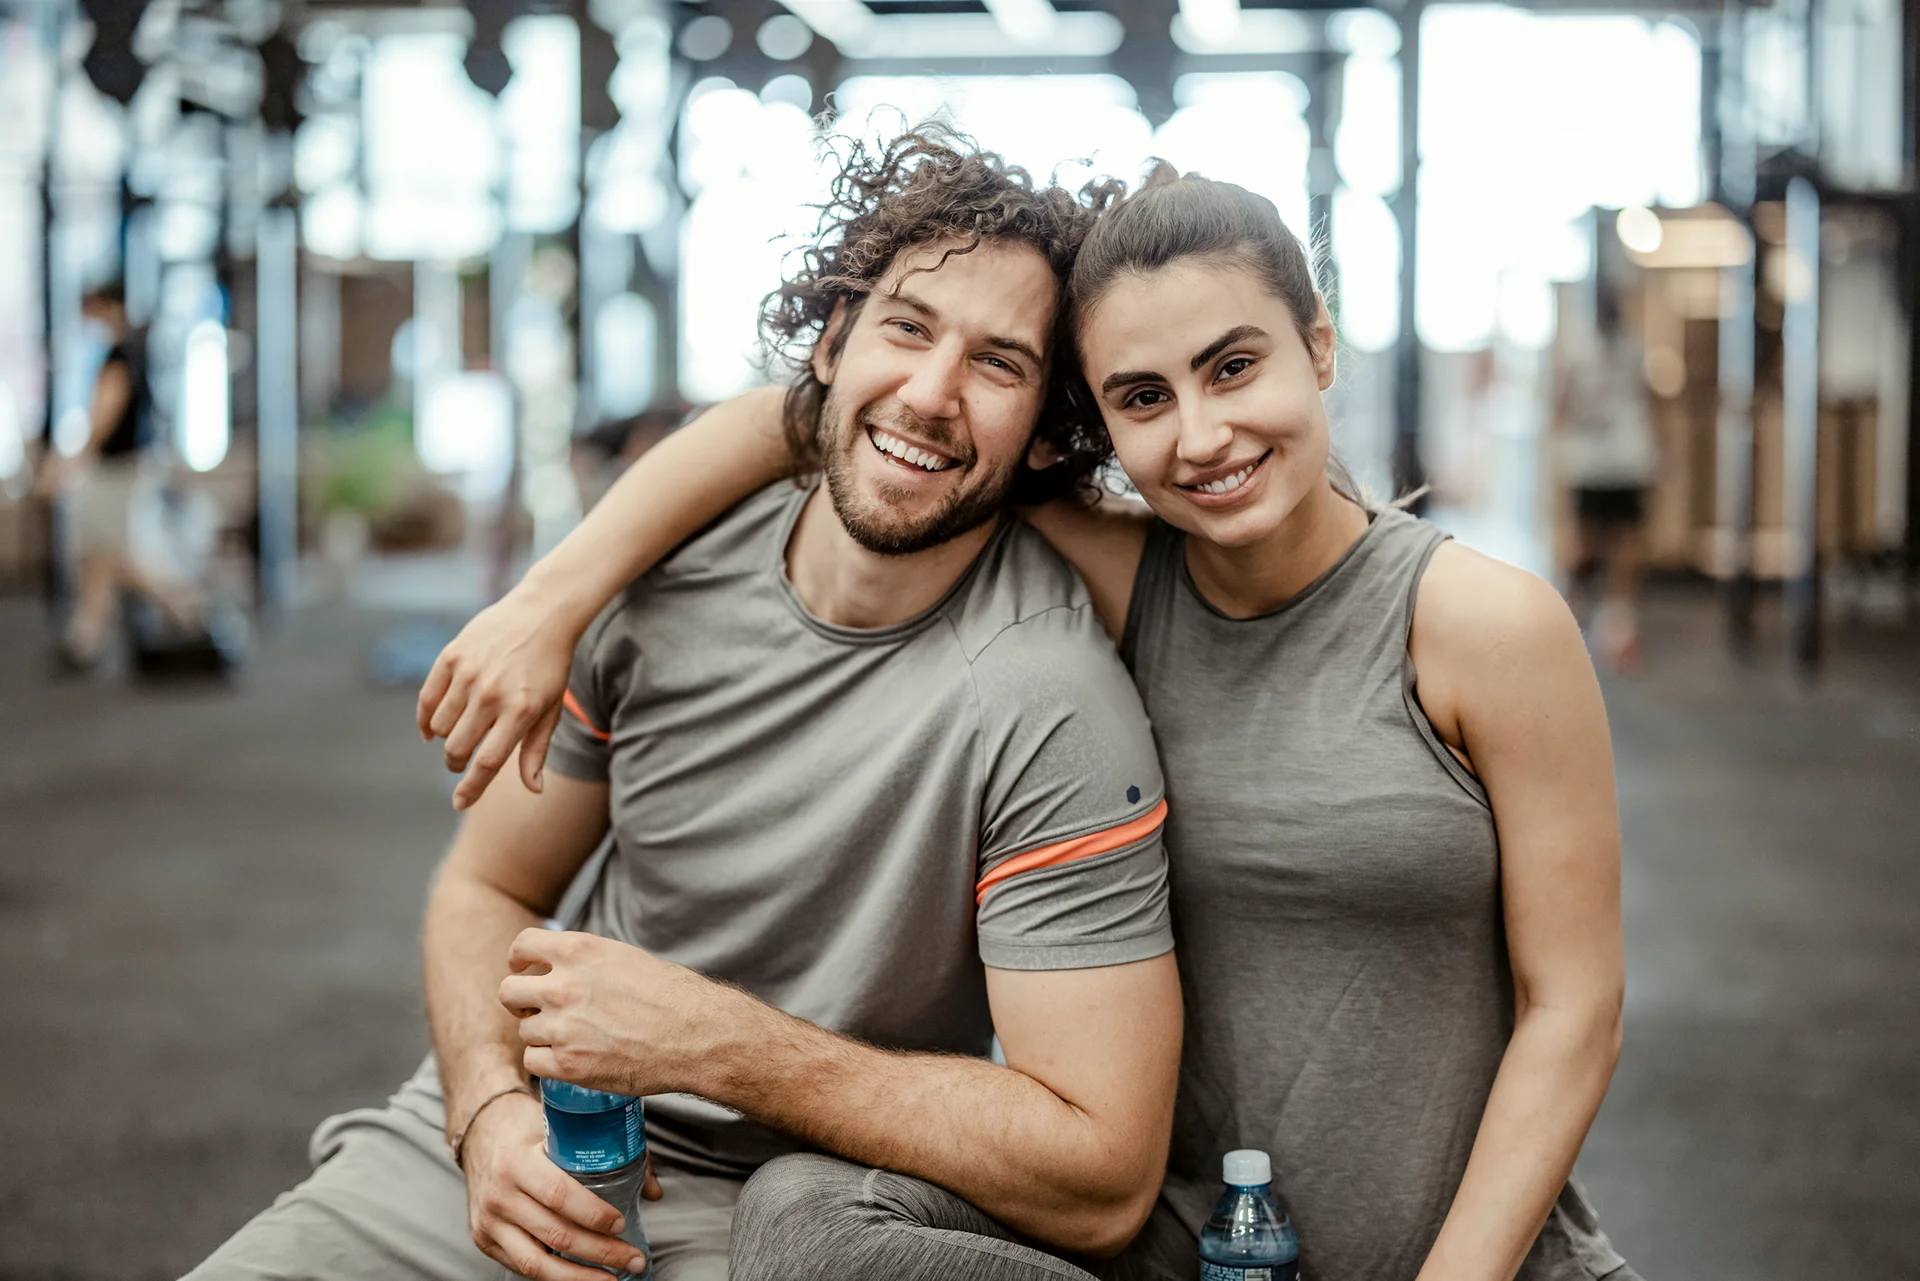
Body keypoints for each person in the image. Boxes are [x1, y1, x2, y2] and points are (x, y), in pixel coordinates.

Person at [424, 164, 1639, 1281]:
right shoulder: (1127, 578)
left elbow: (1573, 1011)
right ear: (1097, 431)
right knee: (803, 1219)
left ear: (1318, 345)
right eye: (1143, 398)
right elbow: (801, 417)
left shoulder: (1485, 626)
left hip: (1455, 1250)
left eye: (1235, 366)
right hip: (1201, 1248)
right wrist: (554, 599)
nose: (1203, 436)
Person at [185, 130, 1186, 1281]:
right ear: (831, 339)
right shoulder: (663, 567)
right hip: (511, 1136)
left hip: (776, 1202)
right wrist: (487, 1112)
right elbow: (489, 884)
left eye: (999, 365)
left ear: (1052, 431)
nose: (930, 392)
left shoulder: (1050, 701)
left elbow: (1104, 1185)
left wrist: (724, 1049)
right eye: (906, 328)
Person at [36, 284, 199, 669]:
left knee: (123, 553)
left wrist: (67, 463)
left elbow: (103, 416)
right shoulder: (140, 350)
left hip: (118, 471)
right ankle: (84, 639)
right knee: (97, 554)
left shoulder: (121, 355)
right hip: (125, 467)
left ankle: (191, 613)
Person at [1553, 288, 1659, 671]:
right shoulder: (1634, 348)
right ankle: (1619, 614)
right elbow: (1648, 400)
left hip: (1593, 458)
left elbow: (1561, 403)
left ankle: (1572, 607)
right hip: (1629, 455)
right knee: (1625, 537)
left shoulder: (1577, 351)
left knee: (1585, 534)